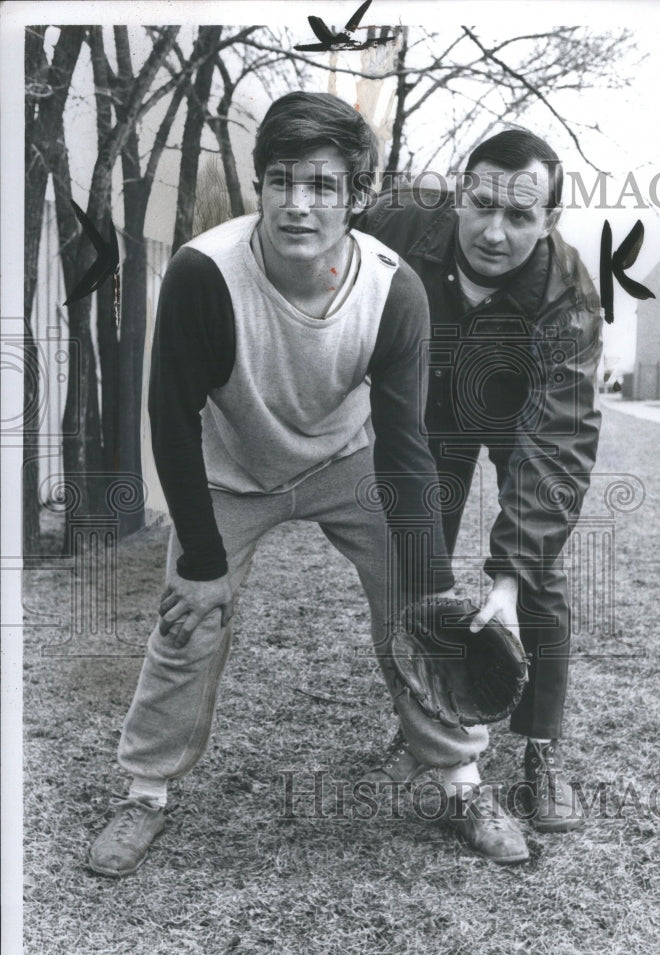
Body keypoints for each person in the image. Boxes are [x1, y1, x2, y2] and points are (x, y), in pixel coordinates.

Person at [88, 93, 532, 878]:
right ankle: (145, 793)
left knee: (415, 610)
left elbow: (405, 448)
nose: (299, 204)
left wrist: (432, 591)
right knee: (189, 619)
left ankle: (462, 784)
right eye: (282, 181)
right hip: (230, 469)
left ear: (358, 196)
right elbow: (169, 420)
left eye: (323, 186)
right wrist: (200, 561)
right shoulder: (203, 273)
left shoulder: (394, 290)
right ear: (260, 184)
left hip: (345, 461)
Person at [356, 128, 602, 833]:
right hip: (433, 406)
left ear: (549, 220)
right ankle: (429, 723)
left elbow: (558, 443)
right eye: (482, 204)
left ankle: (540, 748)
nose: (494, 232)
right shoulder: (396, 224)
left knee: (536, 575)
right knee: (418, 563)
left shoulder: (570, 298)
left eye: (520, 216)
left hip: (519, 406)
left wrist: (509, 576)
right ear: (461, 193)